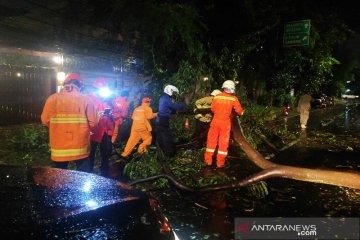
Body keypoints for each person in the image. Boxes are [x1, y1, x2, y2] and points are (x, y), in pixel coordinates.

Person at [41, 73, 97, 172]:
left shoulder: (52, 99)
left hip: (59, 148)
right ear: (80, 86)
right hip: (81, 148)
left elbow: (44, 120)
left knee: (59, 179)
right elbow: (94, 123)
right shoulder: (86, 99)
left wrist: (57, 126)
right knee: (83, 178)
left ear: (64, 84)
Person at [204, 80, 244, 168]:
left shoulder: (217, 97)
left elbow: (213, 109)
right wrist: (241, 113)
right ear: (231, 88)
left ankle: (208, 161)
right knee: (223, 143)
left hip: (215, 122)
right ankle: (220, 163)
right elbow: (239, 111)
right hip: (225, 124)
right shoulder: (233, 98)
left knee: (211, 141)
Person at [88, 77, 116, 177]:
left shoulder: (107, 100)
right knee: (91, 153)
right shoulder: (89, 99)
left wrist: (111, 114)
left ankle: (104, 172)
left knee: (107, 150)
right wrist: (97, 114)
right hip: (94, 131)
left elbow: (114, 114)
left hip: (105, 130)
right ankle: (88, 173)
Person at [156, 84, 189, 157]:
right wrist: (184, 103)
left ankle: (160, 153)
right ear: (170, 91)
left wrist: (173, 111)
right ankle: (169, 155)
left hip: (159, 120)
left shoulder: (162, 98)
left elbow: (166, 108)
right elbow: (176, 106)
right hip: (163, 120)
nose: (174, 94)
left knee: (160, 137)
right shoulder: (167, 99)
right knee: (167, 137)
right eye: (174, 93)